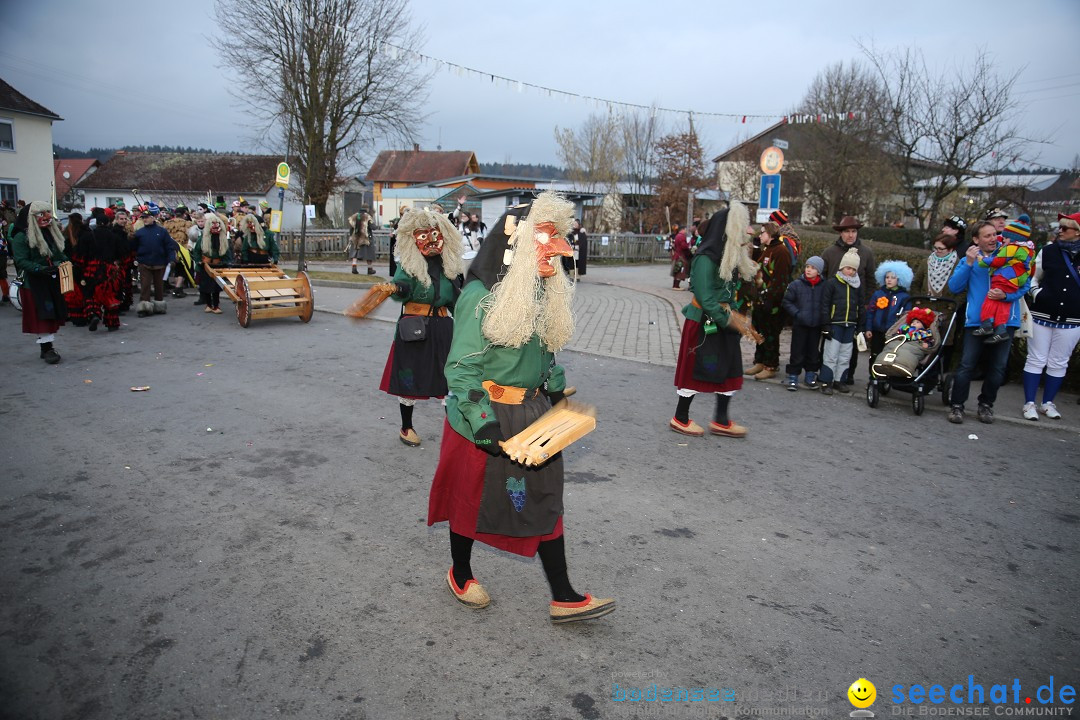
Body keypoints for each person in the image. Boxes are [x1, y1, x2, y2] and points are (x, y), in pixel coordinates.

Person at [427, 191, 615, 624]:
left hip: (531, 418)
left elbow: (543, 354)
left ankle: (564, 594)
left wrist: (557, 389)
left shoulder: (537, 293)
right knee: (469, 499)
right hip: (484, 418)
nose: (561, 249)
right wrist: (482, 422)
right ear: (518, 243)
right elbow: (460, 368)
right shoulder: (479, 295)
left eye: (559, 238)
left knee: (546, 500)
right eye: (546, 238)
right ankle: (460, 572)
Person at [668, 202, 757, 437]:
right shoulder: (705, 258)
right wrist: (730, 321)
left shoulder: (729, 256)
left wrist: (739, 318)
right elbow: (705, 298)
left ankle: (721, 420)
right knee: (697, 367)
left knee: (729, 367)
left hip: (723, 319)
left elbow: (730, 294)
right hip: (705, 323)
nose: (743, 238)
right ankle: (681, 418)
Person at [378, 208, 464, 446]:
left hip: (444, 329)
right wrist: (399, 290)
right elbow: (400, 286)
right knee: (410, 379)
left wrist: (471, 322)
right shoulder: (408, 266)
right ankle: (406, 427)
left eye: (436, 234)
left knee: (449, 381)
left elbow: (457, 302)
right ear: (413, 239)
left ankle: (455, 430)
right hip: (415, 329)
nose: (432, 241)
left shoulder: (449, 269)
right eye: (424, 235)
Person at [946, 221, 1031, 424]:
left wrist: (1006, 296)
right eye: (987, 236)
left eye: (994, 234)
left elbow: (1025, 282)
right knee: (967, 364)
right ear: (976, 240)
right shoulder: (971, 259)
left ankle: (986, 405)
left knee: (998, 367)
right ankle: (957, 406)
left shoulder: (1010, 254)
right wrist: (967, 263)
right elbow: (955, 287)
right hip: (977, 320)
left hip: (1005, 320)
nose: (993, 239)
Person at [1021, 212, 1080, 421]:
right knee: (1036, 359)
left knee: (1059, 362)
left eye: (1065, 229)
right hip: (1042, 314)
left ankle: (1047, 403)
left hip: (1073, 318)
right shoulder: (1047, 251)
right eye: (1060, 228)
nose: (1060, 232)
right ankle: (1029, 403)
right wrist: (1038, 294)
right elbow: (1033, 278)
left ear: (1077, 232)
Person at [9, 202, 68, 363]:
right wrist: (39, 269)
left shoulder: (49, 233)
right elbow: (21, 261)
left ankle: (47, 347)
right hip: (33, 283)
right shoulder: (21, 237)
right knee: (43, 315)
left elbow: (58, 254)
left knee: (51, 313)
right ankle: (47, 349)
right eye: (41, 214)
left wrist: (66, 262)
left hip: (51, 279)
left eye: (48, 212)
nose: (47, 217)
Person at [821, 216, 875, 385]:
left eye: (854, 231)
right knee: (830, 345)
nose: (850, 235)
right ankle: (825, 376)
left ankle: (846, 375)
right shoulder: (830, 252)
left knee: (850, 346)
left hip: (855, 307)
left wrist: (866, 304)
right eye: (847, 231)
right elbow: (823, 278)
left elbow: (870, 279)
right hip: (834, 308)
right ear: (841, 233)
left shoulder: (866, 252)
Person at [972, 220, 1034, 345]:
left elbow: (997, 261)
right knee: (1002, 305)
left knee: (990, 299)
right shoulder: (1028, 250)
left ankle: (986, 324)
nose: (1001, 240)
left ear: (1012, 239)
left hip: (1006, 278)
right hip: (1015, 281)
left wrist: (982, 260)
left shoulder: (1011, 248)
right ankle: (1001, 330)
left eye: (1004, 238)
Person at [745, 221, 791, 380]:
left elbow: (780, 279)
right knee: (759, 332)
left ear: (771, 234)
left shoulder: (781, 251)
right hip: (760, 300)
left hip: (772, 304)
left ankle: (771, 365)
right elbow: (758, 268)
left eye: (763, 232)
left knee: (771, 334)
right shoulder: (768, 249)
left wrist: (771, 300)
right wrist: (757, 249)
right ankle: (760, 361)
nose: (760, 235)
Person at [818, 249, 865, 396]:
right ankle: (826, 381)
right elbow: (825, 305)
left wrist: (860, 326)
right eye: (848, 268)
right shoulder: (832, 283)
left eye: (853, 269)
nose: (850, 272)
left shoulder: (857, 286)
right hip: (835, 324)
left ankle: (840, 380)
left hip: (850, 325)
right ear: (841, 267)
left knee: (845, 355)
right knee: (831, 354)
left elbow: (861, 306)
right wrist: (826, 325)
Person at [781, 255, 827, 390]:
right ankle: (793, 376)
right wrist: (797, 314)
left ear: (818, 271)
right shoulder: (796, 285)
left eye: (813, 268)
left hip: (815, 325)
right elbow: (787, 301)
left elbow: (826, 303)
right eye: (807, 267)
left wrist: (822, 318)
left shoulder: (824, 286)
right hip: (800, 324)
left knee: (813, 352)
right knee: (797, 351)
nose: (809, 270)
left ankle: (810, 376)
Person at [864, 260, 913, 364]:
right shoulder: (878, 294)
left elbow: (906, 317)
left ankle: (885, 378)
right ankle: (873, 378)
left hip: (893, 333)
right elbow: (870, 312)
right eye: (887, 277)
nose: (889, 280)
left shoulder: (904, 297)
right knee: (874, 355)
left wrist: (901, 332)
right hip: (877, 331)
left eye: (893, 277)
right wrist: (868, 328)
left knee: (888, 356)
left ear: (900, 279)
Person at [130, 210, 176, 318]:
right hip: (144, 262)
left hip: (159, 262)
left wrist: (171, 259)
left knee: (159, 285)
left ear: (153, 218)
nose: (145, 219)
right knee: (145, 285)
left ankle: (158, 305)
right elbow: (134, 247)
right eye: (143, 218)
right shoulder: (139, 232)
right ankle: (144, 307)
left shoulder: (162, 231)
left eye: (147, 217)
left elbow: (169, 246)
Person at [870, 307, 938, 379]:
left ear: (924, 325)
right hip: (899, 343)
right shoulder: (904, 328)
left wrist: (927, 344)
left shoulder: (925, 332)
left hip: (914, 347)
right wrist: (896, 337)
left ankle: (903, 365)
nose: (914, 324)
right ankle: (883, 363)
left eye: (917, 322)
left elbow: (930, 341)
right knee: (890, 349)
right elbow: (896, 334)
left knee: (906, 353)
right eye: (913, 322)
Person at [191, 213, 232, 314]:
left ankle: (216, 306)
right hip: (205, 265)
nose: (215, 226)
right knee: (206, 286)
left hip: (218, 266)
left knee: (216, 287)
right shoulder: (202, 238)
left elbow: (227, 253)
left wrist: (226, 262)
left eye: (217, 223)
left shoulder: (223, 239)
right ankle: (208, 305)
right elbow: (196, 252)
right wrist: (198, 261)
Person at [347, 209, 376, 274]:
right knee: (369, 254)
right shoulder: (367, 217)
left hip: (355, 238)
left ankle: (354, 267)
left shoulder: (354, 217)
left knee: (355, 253)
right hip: (365, 238)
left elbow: (351, 228)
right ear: (366, 211)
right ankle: (370, 269)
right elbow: (373, 227)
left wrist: (351, 236)